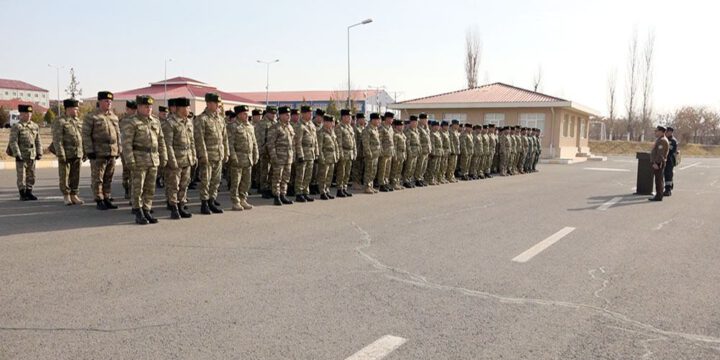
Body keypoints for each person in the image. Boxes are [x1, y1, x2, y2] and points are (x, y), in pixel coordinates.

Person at [122, 95, 167, 224]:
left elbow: (161, 140)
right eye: (146, 106)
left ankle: (147, 209)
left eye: (150, 106)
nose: (149, 109)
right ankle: (138, 210)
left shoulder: (155, 121)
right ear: (139, 107)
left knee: (150, 187)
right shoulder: (131, 122)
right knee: (138, 187)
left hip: (153, 159)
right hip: (139, 159)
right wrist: (129, 160)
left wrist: (163, 156)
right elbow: (127, 144)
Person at [83, 91, 121, 210]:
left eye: (110, 101)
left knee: (109, 177)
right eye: (106, 101)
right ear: (99, 102)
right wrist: (89, 150)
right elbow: (85, 135)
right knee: (98, 177)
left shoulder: (113, 116)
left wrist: (119, 149)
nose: (109, 103)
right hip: (98, 152)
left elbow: (118, 134)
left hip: (111, 151)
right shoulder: (92, 116)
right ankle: (99, 199)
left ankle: (107, 197)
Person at [194, 92, 229, 214]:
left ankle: (212, 201)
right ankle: (204, 203)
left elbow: (225, 138)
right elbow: (200, 139)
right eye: (216, 103)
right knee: (206, 180)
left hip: (218, 155)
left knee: (216, 180)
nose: (219, 105)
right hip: (208, 156)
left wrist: (226, 152)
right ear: (209, 104)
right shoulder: (201, 119)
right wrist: (203, 155)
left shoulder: (220, 119)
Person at [162, 97, 196, 219]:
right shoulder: (170, 123)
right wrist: (172, 161)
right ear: (180, 108)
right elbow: (168, 144)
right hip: (176, 159)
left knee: (184, 184)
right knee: (173, 185)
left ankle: (182, 205)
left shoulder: (188, 122)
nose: (189, 109)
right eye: (187, 107)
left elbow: (192, 142)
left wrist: (193, 156)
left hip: (186, 158)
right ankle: (174, 207)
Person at [52, 99, 85, 205]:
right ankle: (66, 195)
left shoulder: (78, 121)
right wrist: (60, 153)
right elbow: (58, 139)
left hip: (77, 152)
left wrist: (84, 151)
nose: (77, 111)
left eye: (77, 109)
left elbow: (82, 137)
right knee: (64, 175)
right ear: (68, 109)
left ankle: (74, 194)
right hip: (66, 153)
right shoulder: (60, 121)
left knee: (76, 175)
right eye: (75, 109)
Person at [227, 105, 259, 211]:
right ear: (239, 114)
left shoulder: (250, 126)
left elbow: (254, 142)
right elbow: (230, 144)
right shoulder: (233, 126)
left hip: (248, 158)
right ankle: (235, 201)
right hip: (238, 158)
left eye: (247, 113)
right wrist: (233, 157)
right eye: (244, 113)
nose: (246, 115)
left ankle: (243, 199)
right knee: (236, 181)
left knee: (246, 181)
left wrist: (256, 154)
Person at [9, 104, 42, 201]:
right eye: (26, 113)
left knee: (31, 174)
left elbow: (38, 140)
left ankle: (29, 191)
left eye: (30, 113)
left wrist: (39, 152)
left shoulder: (34, 126)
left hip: (32, 154)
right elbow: (13, 141)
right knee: (21, 175)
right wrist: (17, 154)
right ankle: (22, 193)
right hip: (21, 155)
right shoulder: (17, 126)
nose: (28, 115)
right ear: (21, 114)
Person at [267, 106, 295, 205]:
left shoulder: (290, 127)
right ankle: (276, 196)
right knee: (277, 178)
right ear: (281, 115)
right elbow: (270, 144)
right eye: (286, 115)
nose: (289, 116)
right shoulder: (275, 127)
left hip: (288, 157)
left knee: (286, 178)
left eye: (289, 115)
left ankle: (283, 195)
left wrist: (293, 155)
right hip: (279, 157)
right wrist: (274, 157)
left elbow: (293, 143)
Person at [293, 105, 318, 202]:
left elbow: (315, 140)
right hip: (303, 153)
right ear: (303, 114)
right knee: (301, 175)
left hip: (311, 153)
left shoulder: (311, 124)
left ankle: (305, 192)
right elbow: (298, 142)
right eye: (309, 113)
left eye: (311, 113)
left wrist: (317, 153)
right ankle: (298, 193)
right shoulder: (299, 125)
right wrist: (300, 155)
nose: (311, 115)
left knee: (308, 175)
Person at [255, 105, 277, 199]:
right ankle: (264, 189)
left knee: (272, 171)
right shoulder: (261, 124)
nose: (273, 115)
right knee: (264, 171)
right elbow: (260, 139)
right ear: (267, 113)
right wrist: (262, 151)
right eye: (271, 113)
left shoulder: (275, 123)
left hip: (273, 151)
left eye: (274, 113)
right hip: (265, 151)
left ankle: (270, 188)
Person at [334, 109, 356, 197]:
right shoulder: (339, 127)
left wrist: (354, 152)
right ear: (343, 117)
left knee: (347, 172)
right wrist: (340, 154)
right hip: (343, 152)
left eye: (350, 117)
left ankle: (344, 187)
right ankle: (339, 189)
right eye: (348, 117)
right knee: (341, 172)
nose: (350, 118)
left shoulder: (350, 127)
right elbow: (338, 142)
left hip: (350, 152)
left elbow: (353, 141)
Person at [317, 115, 339, 200]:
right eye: (330, 122)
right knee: (323, 176)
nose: (332, 124)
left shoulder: (332, 132)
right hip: (325, 157)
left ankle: (327, 190)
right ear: (325, 122)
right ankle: (322, 192)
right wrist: (321, 158)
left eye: (332, 122)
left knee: (329, 175)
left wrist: (337, 155)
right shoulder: (321, 132)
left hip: (332, 157)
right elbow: (319, 147)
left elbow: (335, 144)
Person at [119, 100, 137, 200]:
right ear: (127, 109)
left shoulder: (137, 120)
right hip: (125, 150)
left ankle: (132, 194)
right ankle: (127, 189)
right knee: (127, 171)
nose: (134, 111)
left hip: (137, 150)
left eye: (135, 109)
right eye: (132, 109)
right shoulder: (123, 121)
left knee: (134, 173)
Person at [362, 113, 382, 194]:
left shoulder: (375, 129)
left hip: (376, 153)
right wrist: (368, 153)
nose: (379, 121)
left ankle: (371, 186)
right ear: (373, 120)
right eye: (377, 120)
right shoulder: (367, 130)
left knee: (373, 171)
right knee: (369, 170)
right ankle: (367, 187)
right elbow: (365, 143)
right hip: (370, 154)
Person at [649, 126, 670, 202]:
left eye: (657, 131)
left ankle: (659, 196)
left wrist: (656, 163)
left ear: (661, 131)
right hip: (658, 162)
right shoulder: (659, 139)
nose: (655, 132)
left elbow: (660, 154)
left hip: (659, 163)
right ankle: (658, 195)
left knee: (659, 180)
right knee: (658, 179)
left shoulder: (662, 141)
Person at [377, 112, 396, 192]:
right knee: (382, 169)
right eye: (391, 118)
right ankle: (381, 184)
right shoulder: (381, 128)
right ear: (387, 118)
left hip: (390, 151)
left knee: (388, 169)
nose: (392, 120)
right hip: (384, 151)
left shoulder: (390, 128)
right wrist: (380, 151)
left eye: (392, 119)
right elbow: (379, 141)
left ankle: (386, 182)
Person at [403, 116, 420, 188]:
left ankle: (410, 179)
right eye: (415, 122)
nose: (416, 123)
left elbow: (418, 141)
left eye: (417, 122)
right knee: (408, 167)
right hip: (411, 151)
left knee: (413, 167)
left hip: (416, 151)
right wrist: (409, 152)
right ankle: (406, 180)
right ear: (411, 122)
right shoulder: (408, 131)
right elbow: (407, 143)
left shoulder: (416, 130)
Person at [415, 113, 432, 187]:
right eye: (425, 119)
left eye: (427, 119)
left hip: (426, 150)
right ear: (421, 119)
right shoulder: (418, 128)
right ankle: (417, 178)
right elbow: (418, 140)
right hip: (421, 150)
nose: (426, 120)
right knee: (420, 165)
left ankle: (421, 178)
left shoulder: (425, 128)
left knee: (424, 166)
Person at [390, 119, 407, 190]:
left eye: (402, 125)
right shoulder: (395, 134)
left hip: (402, 154)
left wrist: (405, 154)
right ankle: (393, 183)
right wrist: (395, 156)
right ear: (396, 126)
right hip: (397, 154)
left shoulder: (402, 134)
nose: (402, 127)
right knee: (395, 170)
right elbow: (395, 146)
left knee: (399, 170)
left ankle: (397, 182)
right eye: (400, 125)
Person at [351, 113, 366, 190]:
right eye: (363, 119)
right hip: (357, 151)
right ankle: (355, 183)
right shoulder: (355, 128)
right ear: (359, 119)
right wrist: (355, 152)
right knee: (356, 168)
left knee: (360, 168)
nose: (364, 120)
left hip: (362, 152)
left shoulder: (363, 128)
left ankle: (359, 182)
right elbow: (354, 141)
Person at [428, 121, 444, 185]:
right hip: (435, 153)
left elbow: (441, 144)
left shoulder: (438, 133)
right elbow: (433, 144)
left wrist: (442, 151)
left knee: (437, 167)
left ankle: (435, 178)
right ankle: (430, 179)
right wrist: (433, 153)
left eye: (438, 125)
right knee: (432, 167)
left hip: (439, 152)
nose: (437, 127)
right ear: (433, 126)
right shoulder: (432, 133)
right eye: (436, 126)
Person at [664, 127, 678, 196]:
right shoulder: (666, 139)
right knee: (666, 174)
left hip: (670, 159)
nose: (665, 133)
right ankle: (668, 187)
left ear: (670, 132)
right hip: (667, 159)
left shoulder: (672, 140)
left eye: (666, 132)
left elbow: (669, 150)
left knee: (668, 174)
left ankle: (668, 190)